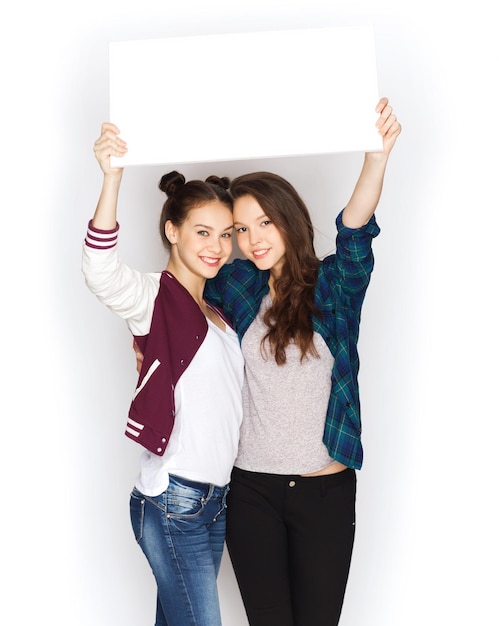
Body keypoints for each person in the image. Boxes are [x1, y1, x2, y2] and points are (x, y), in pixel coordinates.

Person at [134, 97, 401, 625]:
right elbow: (183, 278)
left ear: (288, 220)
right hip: (252, 490)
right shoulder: (235, 287)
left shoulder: (333, 287)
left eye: (263, 224)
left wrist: (376, 159)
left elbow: (354, 234)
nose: (251, 239)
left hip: (325, 490)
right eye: (240, 229)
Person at [82, 124, 245, 626]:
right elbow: (102, 273)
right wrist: (112, 179)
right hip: (175, 501)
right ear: (172, 230)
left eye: (225, 235)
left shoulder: (219, 315)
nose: (216, 246)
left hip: (214, 502)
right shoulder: (157, 297)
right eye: (202, 232)